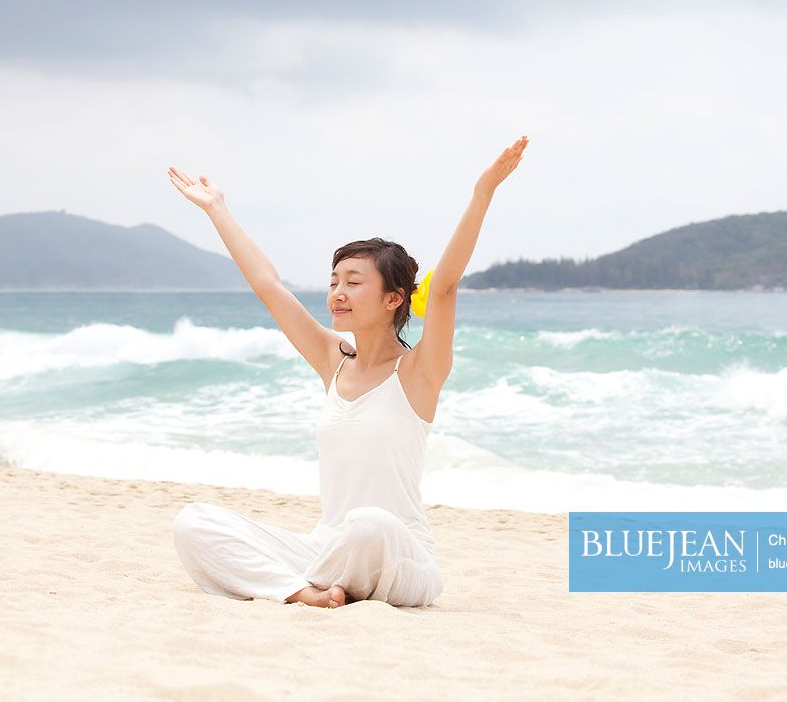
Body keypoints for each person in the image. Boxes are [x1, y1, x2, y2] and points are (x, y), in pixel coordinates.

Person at [165, 135, 529, 608]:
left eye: (354, 282)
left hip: (401, 554)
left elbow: (444, 290)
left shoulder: (419, 372)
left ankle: (330, 584)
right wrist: (217, 209)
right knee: (194, 522)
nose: (337, 291)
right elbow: (268, 286)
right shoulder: (333, 359)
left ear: (393, 298)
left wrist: (483, 193)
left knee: (370, 524)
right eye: (334, 280)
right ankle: (305, 592)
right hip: (327, 546)